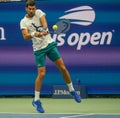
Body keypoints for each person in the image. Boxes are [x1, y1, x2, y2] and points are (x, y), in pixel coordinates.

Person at [20, 0, 81, 113]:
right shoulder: (23, 22)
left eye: (33, 8)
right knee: (42, 73)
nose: (32, 10)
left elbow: (44, 24)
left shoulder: (39, 13)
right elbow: (25, 36)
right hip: (38, 50)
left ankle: (72, 90)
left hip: (49, 44)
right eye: (30, 9)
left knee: (62, 67)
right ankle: (37, 100)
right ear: (26, 9)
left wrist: (43, 30)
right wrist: (34, 34)